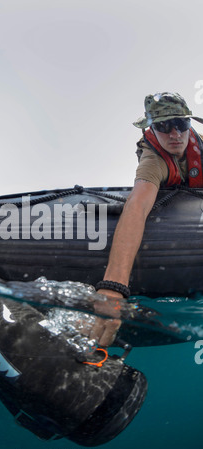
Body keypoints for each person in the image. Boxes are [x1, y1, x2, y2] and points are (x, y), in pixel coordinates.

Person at [91, 92, 203, 346]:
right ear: (152, 128)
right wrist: (113, 287)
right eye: (163, 126)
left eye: (181, 124)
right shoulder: (153, 160)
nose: (175, 134)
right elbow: (138, 206)